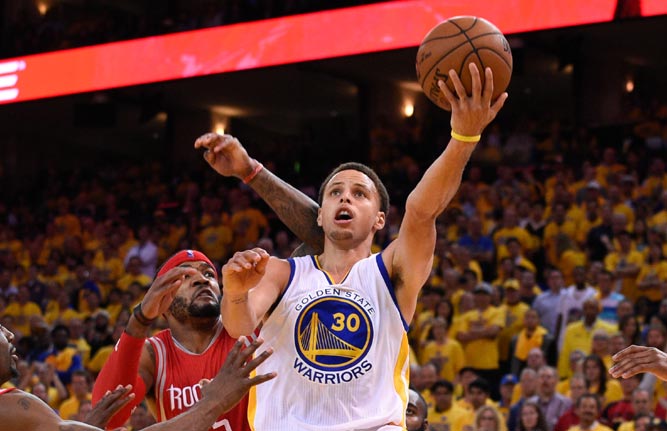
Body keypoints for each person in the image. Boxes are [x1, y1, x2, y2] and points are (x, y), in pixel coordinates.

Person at [218, 64, 507, 430]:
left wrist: (463, 138)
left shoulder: (391, 271)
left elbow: (421, 211)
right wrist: (235, 293)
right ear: (320, 215)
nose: (345, 198)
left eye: (360, 194)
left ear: (379, 219)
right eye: (335, 193)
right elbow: (238, 326)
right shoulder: (280, 271)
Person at [93, 135, 325, 430]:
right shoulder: (156, 353)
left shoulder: (249, 320)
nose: (201, 279)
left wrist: (251, 171)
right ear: (160, 301)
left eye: (208, 274)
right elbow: (106, 419)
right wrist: (139, 320)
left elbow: (324, 237)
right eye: (184, 276)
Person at [0, 323, 275, 431]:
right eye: (0, 328)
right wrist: (213, 404)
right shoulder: (12, 407)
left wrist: (85, 427)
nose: (10, 334)